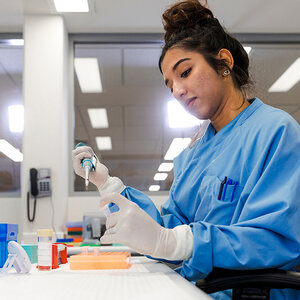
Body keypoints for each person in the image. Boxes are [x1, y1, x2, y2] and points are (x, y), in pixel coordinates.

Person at [72, 0, 300, 299]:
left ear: (224, 62)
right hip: (193, 289)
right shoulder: (192, 155)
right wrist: (108, 184)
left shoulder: (276, 132)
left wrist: (186, 243)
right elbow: (167, 231)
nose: (177, 90)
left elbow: (277, 239)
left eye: (185, 72)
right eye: (169, 85)